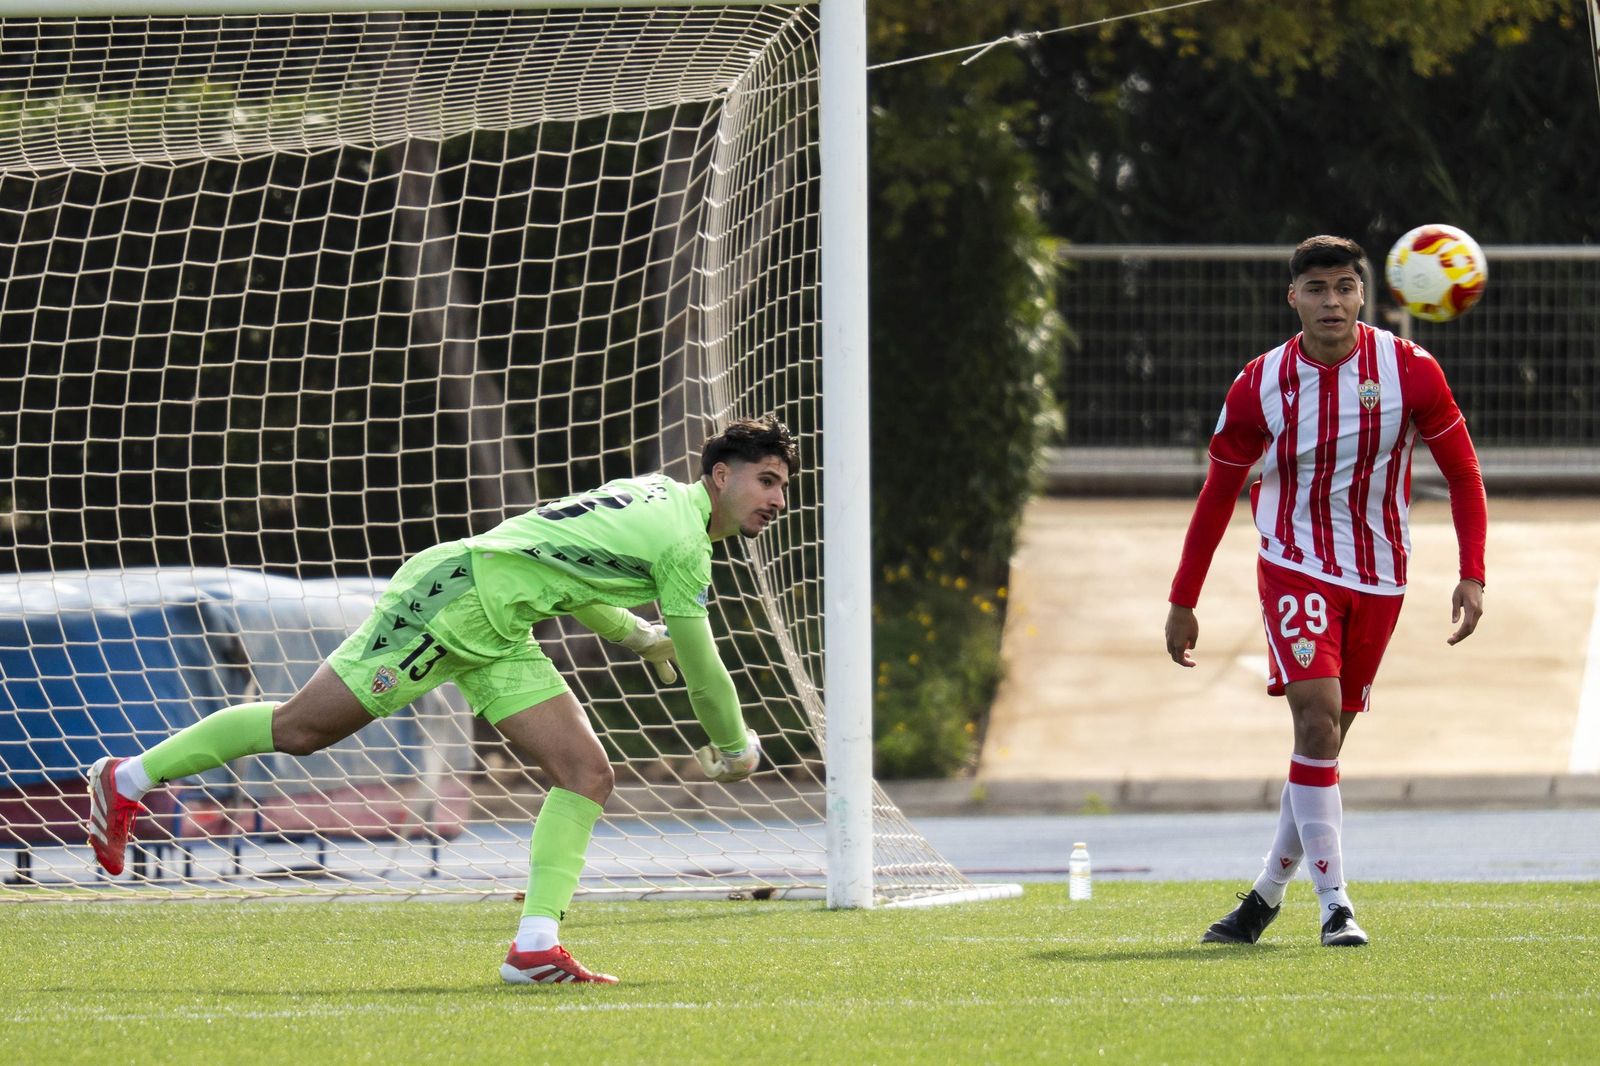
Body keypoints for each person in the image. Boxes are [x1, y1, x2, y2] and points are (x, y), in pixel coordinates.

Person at [88, 415, 797, 984]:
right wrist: (735, 747)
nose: (777, 500)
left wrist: (638, 637)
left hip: (499, 625)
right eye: (766, 480)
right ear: (721, 475)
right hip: (452, 603)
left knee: (586, 773)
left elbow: (568, 567)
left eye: (783, 487)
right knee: (300, 730)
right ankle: (125, 780)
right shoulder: (685, 544)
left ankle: (534, 946)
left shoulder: (659, 497)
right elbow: (705, 673)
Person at [1164, 236, 1486, 947]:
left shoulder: (1411, 371)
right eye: (1317, 288)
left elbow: (1463, 474)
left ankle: (1262, 898)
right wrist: (1184, 596)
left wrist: (1472, 573)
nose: (1332, 302)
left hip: (1380, 574)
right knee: (1315, 723)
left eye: (1344, 286)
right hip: (1295, 563)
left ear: (1363, 294)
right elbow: (1219, 493)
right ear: (1294, 298)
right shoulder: (1259, 383)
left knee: (1325, 747)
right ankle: (1335, 904)